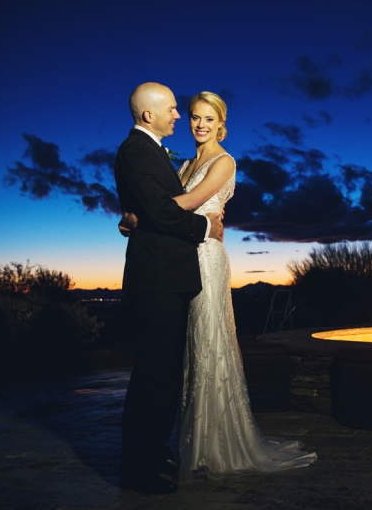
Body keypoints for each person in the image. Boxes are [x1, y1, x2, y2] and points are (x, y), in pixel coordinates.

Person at [123, 91, 317, 480]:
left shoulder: (223, 162)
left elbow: (187, 202)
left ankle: (217, 442)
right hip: (179, 261)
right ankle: (187, 440)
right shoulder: (184, 162)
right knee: (186, 351)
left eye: (208, 119)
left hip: (206, 260)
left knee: (209, 345)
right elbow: (163, 204)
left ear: (221, 123)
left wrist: (143, 213)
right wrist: (136, 212)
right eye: (194, 117)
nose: (198, 124)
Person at [114, 82, 223, 495]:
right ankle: (136, 470)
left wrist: (134, 215)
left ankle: (153, 451)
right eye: (175, 110)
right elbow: (160, 210)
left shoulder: (152, 151)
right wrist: (205, 226)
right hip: (157, 279)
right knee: (151, 376)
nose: (180, 116)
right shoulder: (138, 151)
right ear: (148, 116)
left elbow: (149, 207)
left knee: (162, 375)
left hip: (169, 277)